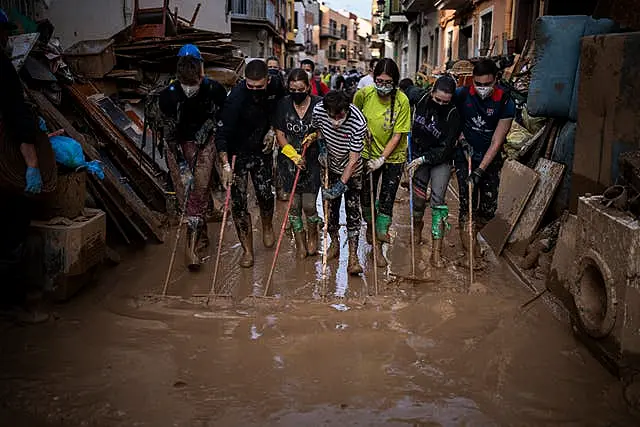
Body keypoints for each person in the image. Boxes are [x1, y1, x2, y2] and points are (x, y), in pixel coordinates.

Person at [0, 8, 56, 321]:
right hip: (6, 167)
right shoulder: (3, 68)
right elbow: (18, 120)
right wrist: (32, 166)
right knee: (12, 232)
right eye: (5, 32)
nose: (8, 37)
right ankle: (12, 306)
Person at [159, 44, 227, 271]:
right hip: (177, 147)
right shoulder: (167, 95)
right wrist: (178, 156)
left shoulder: (214, 89)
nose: (191, 89)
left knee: (200, 190)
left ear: (201, 71)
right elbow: (166, 130)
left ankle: (192, 249)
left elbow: (222, 118)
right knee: (186, 195)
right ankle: (197, 238)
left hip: (205, 146)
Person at [217, 59, 284, 268]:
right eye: (250, 86)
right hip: (237, 152)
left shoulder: (276, 84)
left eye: (259, 86)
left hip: (261, 147)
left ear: (268, 80)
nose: (255, 90)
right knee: (238, 203)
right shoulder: (235, 97)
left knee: (265, 194)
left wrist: (273, 129)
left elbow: (281, 107)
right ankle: (247, 250)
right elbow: (221, 134)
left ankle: (266, 225)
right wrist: (225, 165)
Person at [454, 58, 514, 265]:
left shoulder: (505, 101)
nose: (481, 89)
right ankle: (470, 254)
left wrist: (480, 170)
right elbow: (454, 120)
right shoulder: (462, 95)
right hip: (465, 157)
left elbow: (497, 140)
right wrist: (461, 139)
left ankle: (473, 238)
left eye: (486, 84)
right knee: (467, 205)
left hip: (489, 159)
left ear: (495, 80)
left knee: (488, 210)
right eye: (478, 84)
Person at [353, 58, 411, 267]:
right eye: (379, 80)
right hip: (366, 154)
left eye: (388, 82)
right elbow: (353, 117)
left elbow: (397, 135)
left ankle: (378, 245)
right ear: (373, 77)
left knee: (386, 200)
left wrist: (382, 159)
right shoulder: (364, 94)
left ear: (395, 82)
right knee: (365, 199)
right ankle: (370, 224)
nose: (382, 85)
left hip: (393, 157)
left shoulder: (402, 101)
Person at [406, 76, 460, 268]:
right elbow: (405, 88)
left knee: (438, 202)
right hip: (418, 151)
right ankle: (417, 229)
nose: (441, 104)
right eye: (437, 100)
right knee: (418, 200)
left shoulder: (453, 113)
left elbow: (446, 149)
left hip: (440, 160)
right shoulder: (419, 97)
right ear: (431, 92)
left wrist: (424, 159)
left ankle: (436, 252)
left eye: (445, 102)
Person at [311, 91, 367, 275]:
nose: (336, 121)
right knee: (330, 210)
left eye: (340, 115)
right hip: (330, 166)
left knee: (352, 212)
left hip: (353, 170)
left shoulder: (358, 121)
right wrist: (322, 147)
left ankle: (353, 256)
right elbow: (318, 129)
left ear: (347, 109)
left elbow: (353, 161)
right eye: (332, 116)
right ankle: (334, 243)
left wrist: (340, 185)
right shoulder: (319, 110)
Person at [274, 69, 323, 259]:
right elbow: (279, 134)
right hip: (289, 161)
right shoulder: (283, 105)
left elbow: (324, 129)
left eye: (300, 89)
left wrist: (314, 136)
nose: (296, 93)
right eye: (292, 89)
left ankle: (313, 235)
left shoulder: (319, 104)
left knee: (309, 204)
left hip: (312, 161)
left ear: (308, 87)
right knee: (294, 205)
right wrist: (293, 155)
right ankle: (300, 242)